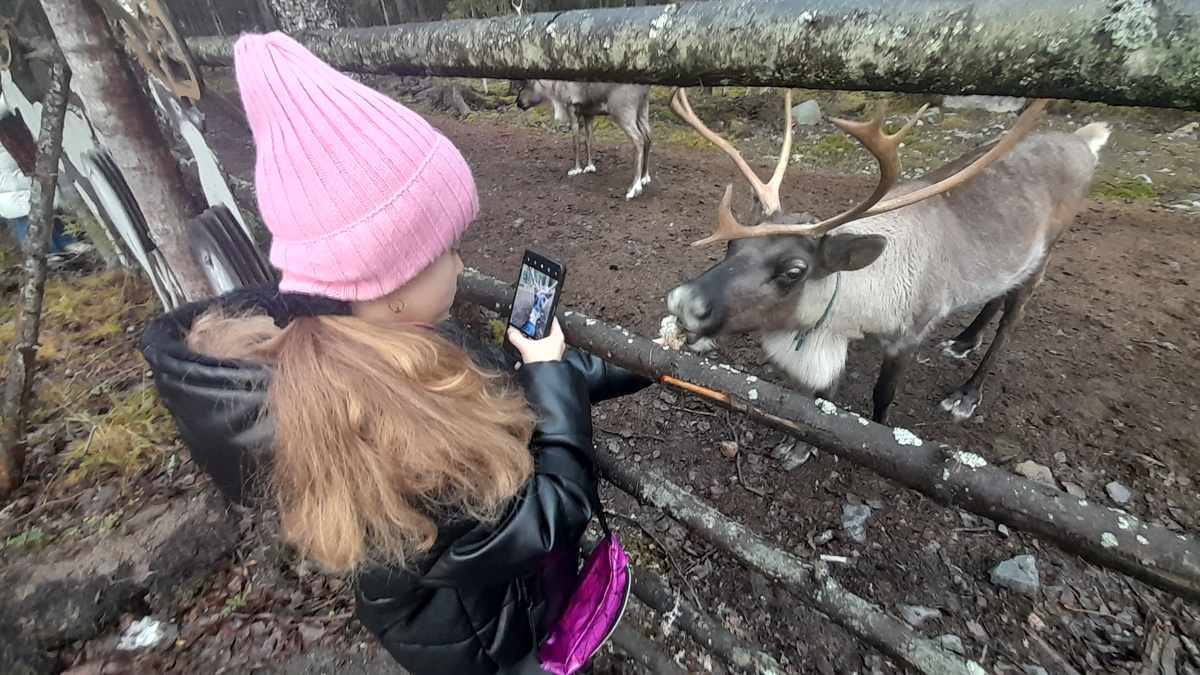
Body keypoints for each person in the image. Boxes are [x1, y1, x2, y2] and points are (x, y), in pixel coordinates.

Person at [138, 32, 652, 675]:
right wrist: (546, 370)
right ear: (389, 278)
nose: (463, 265)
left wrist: (633, 364)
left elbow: (495, 388)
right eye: (447, 251)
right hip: (486, 651)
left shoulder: (389, 346)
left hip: (492, 609)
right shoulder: (384, 428)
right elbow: (545, 520)